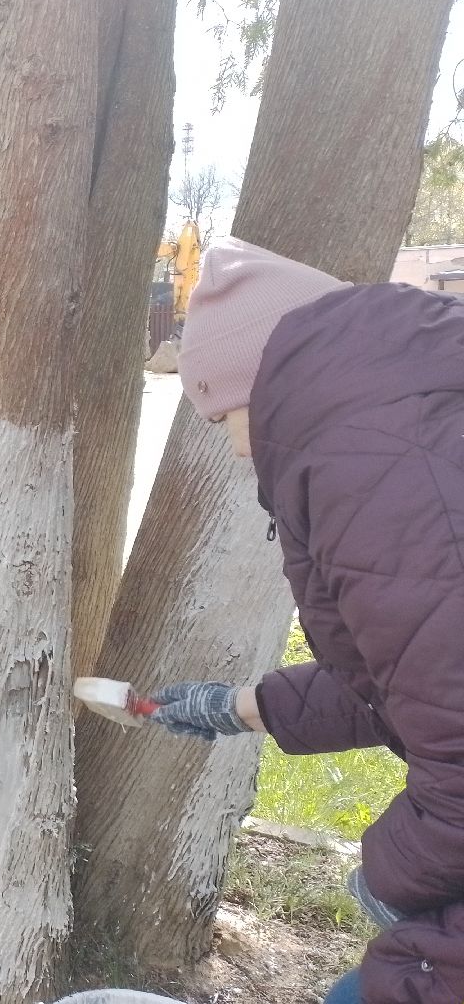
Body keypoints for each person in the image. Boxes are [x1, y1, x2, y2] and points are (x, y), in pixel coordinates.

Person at [147, 236, 464, 1004]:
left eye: (217, 413)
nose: (230, 447)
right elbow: (412, 670)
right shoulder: (400, 420)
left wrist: (393, 873)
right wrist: (237, 707)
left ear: (255, 388)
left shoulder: (381, 471)